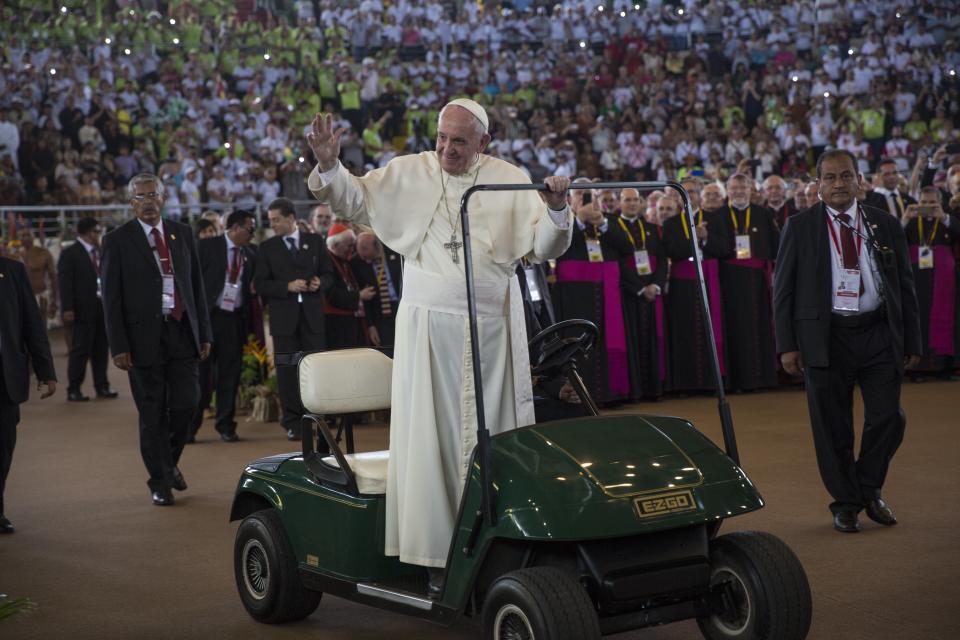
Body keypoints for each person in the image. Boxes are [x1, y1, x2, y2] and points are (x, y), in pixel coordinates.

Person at [305, 99, 572, 592]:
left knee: (499, 441)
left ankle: (506, 546)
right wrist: (328, 164)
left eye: (460, 142)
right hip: (428, 333)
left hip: (494, 330)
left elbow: (547, 245)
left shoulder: (508, 177)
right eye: (442, 138)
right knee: (433, 441)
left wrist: (557, 209)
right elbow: (354, 200)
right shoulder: (410, 172)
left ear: (483, 144)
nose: (447, 149)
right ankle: (436, 557)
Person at [773, 149, 922, 533]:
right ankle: (846, 503)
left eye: (845, 176)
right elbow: (783, 290)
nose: (838, 184)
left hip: (878, 333)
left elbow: (905, 285)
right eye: (830, 177)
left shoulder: (884, 223)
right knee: (831, 425)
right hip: (826, 337)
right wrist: (787, 344)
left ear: (859, 180)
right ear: (818, 184)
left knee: (889, 417)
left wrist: (912, 340)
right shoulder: (800, 226)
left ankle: (867, 487)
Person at [101, 173, 212, 507]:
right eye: (139, 197)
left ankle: (168, 464)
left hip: (182, 332)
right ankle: (159, 480)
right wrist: (118, 345)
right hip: (141, 339)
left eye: (152, 195)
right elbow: (111, 297)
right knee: (151, 414)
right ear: (131, 202)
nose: (147, 202)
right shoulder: (117, 240)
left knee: (187, 405)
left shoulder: (183, 233)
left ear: (163, 198)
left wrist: (204, 332)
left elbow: (196, 289)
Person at [254, 197, 334, 441]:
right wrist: (287, 286)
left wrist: (321, 283)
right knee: (287, 371)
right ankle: (292, 422)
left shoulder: (315, 241)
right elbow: (260, 284)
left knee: (315, 370)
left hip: (312, 319)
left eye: (277, 220)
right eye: (271, 221)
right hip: (283, 321)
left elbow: (329, 274)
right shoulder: (267, 248)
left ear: (291, 219)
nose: (273, 224)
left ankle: (318, 418)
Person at [554, 183, 634, 404]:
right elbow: (558, 247)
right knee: (578, 343)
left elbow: (627, 247)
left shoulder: (610, 221)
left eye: (592, 195)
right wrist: (579, 220)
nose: (587, 199)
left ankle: (611, 394)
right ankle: (578, 394)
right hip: (575, 296)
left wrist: (602, 223)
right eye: (581, 194)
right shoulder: (563, 221)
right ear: (570, 199)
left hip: (607, 293)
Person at [0, 255, 57, 534]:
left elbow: (32, 323)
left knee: (3, 448)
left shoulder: (12, 271)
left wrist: (46, 370)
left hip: (4, 378)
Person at [662, 182, 733, 392]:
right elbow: (672, 252)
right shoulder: (671, 223)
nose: (689, 196)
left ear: (699, 196)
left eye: (692, 192)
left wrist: (707, 237)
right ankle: (686, 384)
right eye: (685, 193)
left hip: (709, 281)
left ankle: (713, 383)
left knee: (711, 330)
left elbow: (725, 249)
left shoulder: (716, 219)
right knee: (684, 331)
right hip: (682, 285)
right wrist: (695, 238)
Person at [195, 210, 258, 442]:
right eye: (249, 229)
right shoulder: (206, 246)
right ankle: (191, 426)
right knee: (200, 375)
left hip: (234, 320)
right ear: (235, 228)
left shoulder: (251, 253)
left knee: (229, 376)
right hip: (208, 320)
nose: (252, 233)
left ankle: (225, 425)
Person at [718, 172, 780, 391]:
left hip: (758, 282)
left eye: (742, 188)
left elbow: (775, 246)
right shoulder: (720, 215)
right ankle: (737, 381)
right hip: (730, 281)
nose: (737, 192)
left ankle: (762, 379)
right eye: (733, 188)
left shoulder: (763, 214)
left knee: (760, 327)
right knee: (734, 328)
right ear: (728, 190)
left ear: (750, 189)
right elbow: (715, 248)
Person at [901, 187, 958, 377]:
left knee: (944, 315)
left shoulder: (946, 218)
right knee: (919, 316)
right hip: (917, 277)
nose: (927, 206)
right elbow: (895, 239)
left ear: (940, 203)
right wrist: (905, 218)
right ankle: (919, 367)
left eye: (932, 203)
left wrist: (943, 217)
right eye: (923, 202)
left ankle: (942, 365)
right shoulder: (911, 220)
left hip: (944, 277)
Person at [616, 188, 668, 400]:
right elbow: (618, 263)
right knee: (633, 342)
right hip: (629, 294)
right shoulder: (613, 228)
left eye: (635, 200)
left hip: (652, 293)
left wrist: (655, 285)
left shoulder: (652, 228)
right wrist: (638, 287)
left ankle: (654, 389)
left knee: (653, 341)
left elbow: (663, 260)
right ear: (621, 203)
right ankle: (635, 391)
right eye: (627, 200)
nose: (631, 204)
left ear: (641, 203)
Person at [58, 217, 116, 402]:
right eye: (96, 232)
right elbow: (65, 283)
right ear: (87, 232)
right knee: (80, 351)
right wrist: (67, 308)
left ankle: (102, 386)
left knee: (101, 348)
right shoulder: (70, 253)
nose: (99, 235)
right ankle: (74, 388)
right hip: (81, 309)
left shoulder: (101, 251)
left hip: (101, 307)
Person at [324, 223, 375, 350]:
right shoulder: (326, 261)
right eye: (349, 245)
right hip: (336, 324)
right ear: (336, 245)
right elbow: (331, 293)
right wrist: (359, 295)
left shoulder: (345, 260)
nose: (352, 249)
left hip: (351, 320)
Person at [353, 230, 403, 353]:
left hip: (400, 308)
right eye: (359, 250)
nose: (362, 255)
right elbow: (365, 299)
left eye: (365, 249)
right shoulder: (358, 262)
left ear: (377, 246)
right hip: (380, 315)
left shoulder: (395, 253)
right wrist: (371, 326)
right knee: (387, 351)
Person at [17, 226, 58, 324]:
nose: (26, 238)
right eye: (23, 235)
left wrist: (54, 300)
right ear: (19, 238)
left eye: (28, 235)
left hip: (40, 295)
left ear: (33, 237)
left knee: (41, 328)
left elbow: (53, 277)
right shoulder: (15, 255)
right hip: (21, 297)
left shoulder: (43, 253)